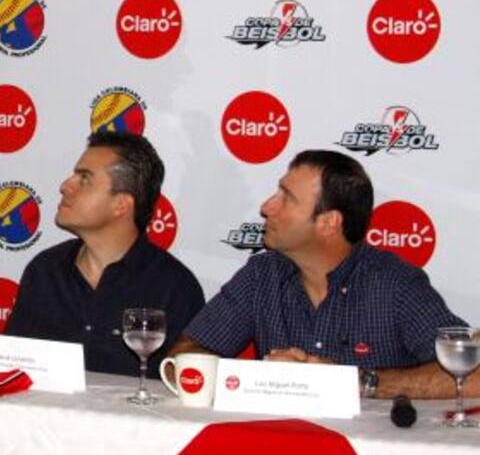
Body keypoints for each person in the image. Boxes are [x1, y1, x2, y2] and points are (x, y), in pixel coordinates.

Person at [169, 149, 474, 399]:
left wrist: (355, 383)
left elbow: (471, 376)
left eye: (286, 198)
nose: (265, 207)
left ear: (329, 223)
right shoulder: (261, 275)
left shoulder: (394, 284)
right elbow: (182, 357)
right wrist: (260, 380)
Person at [4, 131, 205, 378]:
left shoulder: (175, 287)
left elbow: (186, 389)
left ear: (121, 204)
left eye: (85, 178)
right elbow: (9, 368)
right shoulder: (45, 270)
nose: (66, 186)